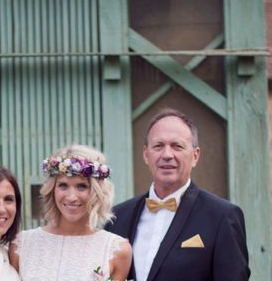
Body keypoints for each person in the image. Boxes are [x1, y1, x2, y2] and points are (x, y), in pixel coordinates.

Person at [105, 108, 250, 281]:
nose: (167, 155)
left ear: (195, 156)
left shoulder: (222, 216)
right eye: (158, 146)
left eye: (177, 146)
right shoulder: (117, 217)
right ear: (146, 154)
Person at [10, 144, 133, 281]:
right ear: (52, 189)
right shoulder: (21, 245)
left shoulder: (117, 250)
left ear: (96, 191)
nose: (72, 197)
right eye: (63, 185)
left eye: (82, 186)